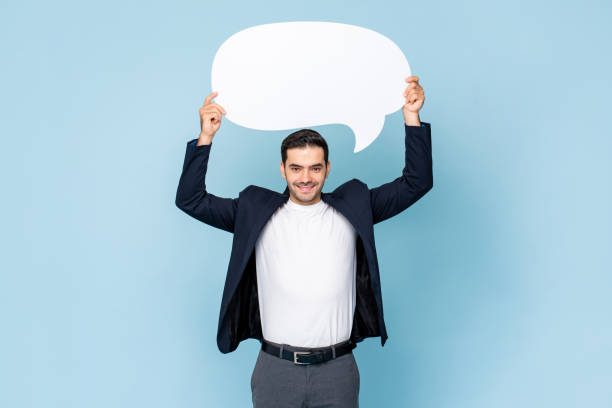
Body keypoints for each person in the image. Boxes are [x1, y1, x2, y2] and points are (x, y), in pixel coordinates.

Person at [175, 76, 432, 407]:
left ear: (327, 169)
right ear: (282, 170)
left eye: (314, 168)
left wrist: (411, 116)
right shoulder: (254, 211)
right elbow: (191, 200)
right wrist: (206, 136)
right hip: (275, 370)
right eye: (296, 168)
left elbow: (416, 183)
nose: (305, 178)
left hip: (338, 370)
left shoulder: (355, 206)